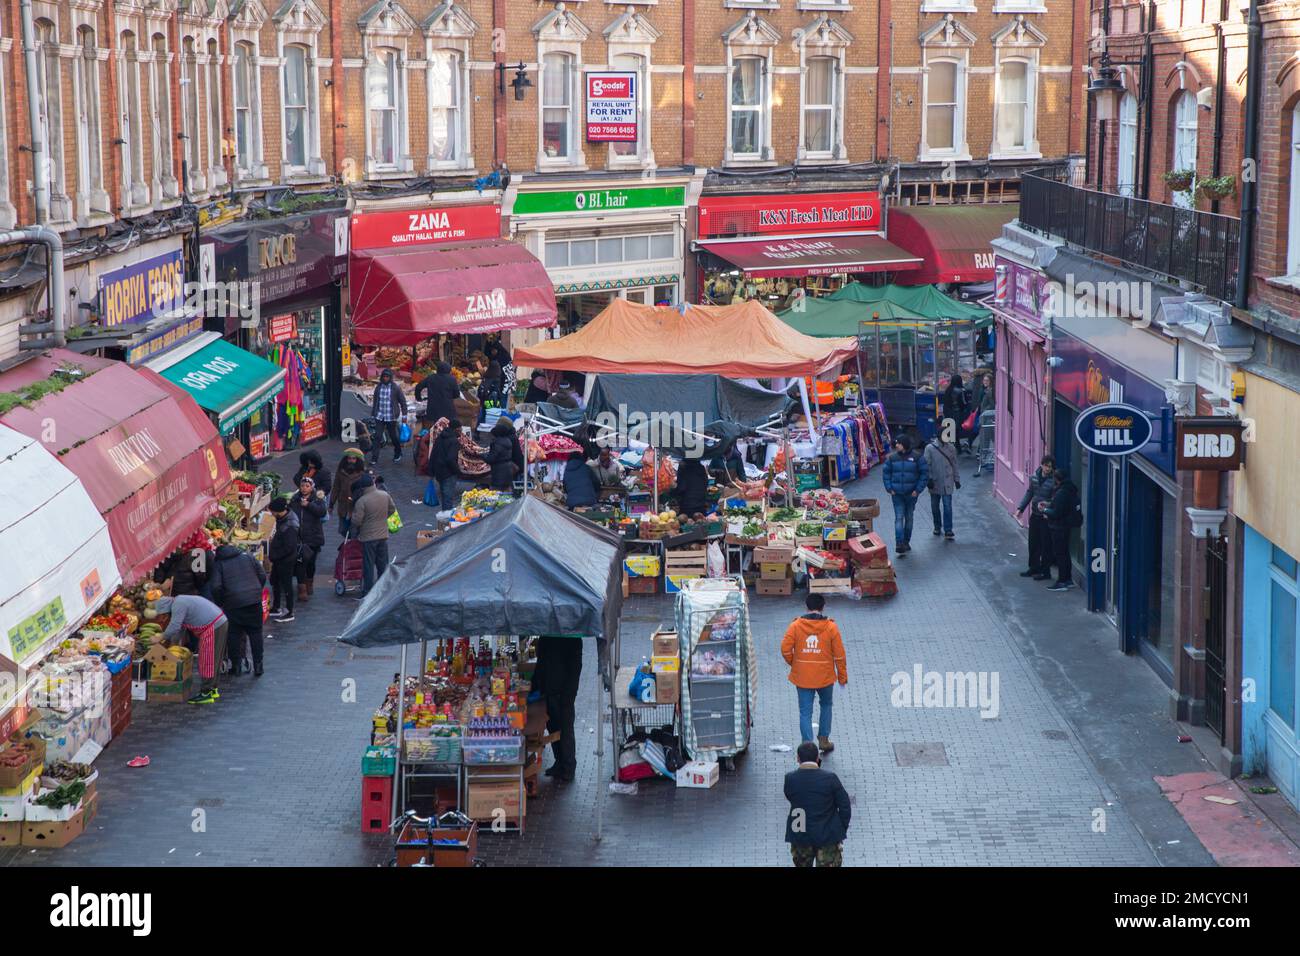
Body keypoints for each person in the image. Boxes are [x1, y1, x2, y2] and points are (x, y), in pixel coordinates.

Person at [780, 593, 849, 753]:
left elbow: (785, 648)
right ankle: (824, 740)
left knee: (805, 712)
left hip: (803, 677)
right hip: (825, 676)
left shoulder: (796, 626)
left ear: (806, 607)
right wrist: (842, 677)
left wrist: (794, 663)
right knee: (826, 705)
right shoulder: (831, 627)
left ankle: (807, 746)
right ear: (823, 607)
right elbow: (839, 655)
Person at [783, 741, 852, 868]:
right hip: (827, 836)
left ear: (798, 758)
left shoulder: (790, 779)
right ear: (817, 758)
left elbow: (790, 797)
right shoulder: (830, 779)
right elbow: (845, 806)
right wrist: (841, 828)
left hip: (800, 834)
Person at [208, 543, 268, 677]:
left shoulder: (219, 564)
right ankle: (259, 666)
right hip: (254, 602)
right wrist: (256, 591)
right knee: (255, 633)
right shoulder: (248, 557)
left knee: (234, 634)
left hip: (233, 603)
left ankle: (236, 666)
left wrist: (221, 602)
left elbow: (216, 587)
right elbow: (262, 574)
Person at [156, 594, 228, 704]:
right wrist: (173, 644)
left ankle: (206, 693)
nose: (164, 618)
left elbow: (175, 626)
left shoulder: (178, 605)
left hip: (213, 626)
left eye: (164, 615)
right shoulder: (179, 602)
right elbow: (179, 629)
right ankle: (212, 689)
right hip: (219, 622)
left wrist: (161, 637)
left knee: (207, 659)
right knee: (214, 659)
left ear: (167, 609)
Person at [533, 635, 582, 782]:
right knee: (553, 727)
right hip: (550, 688)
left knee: (565, 728)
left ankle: (568, 766)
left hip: (564, 691)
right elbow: (541, 662)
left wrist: (569, 692)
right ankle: (559, 762)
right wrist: (536, 686)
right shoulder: (547, 635)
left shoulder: (572, 637)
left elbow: (575, 667)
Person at [350, 474, 396, 596]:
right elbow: (392, 510)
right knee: (382, 564)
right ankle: (383, 589)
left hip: (368, 537)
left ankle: (368, 591)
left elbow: (357, 521)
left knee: (368, 565)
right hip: (383, 535)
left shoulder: (362, 501)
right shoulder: (385, 495)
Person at [881, 435, 928, 555]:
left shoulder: (917, 457)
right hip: (897, 494)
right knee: (899, 517)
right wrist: (889, 488)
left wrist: (917, 490)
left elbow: (924, 474)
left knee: (909, 518)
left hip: (911, 494)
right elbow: (886, 473)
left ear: (905, 444)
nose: (896, 445)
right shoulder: (892, 458)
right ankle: (899, 543)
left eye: (899, 443)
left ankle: (906, 541)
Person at [1016, 456, 1061, 580]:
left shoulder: (1054, 481)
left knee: (1045, 544)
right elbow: (1029, 493)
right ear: (1041, 465)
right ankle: (1033, 567)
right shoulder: (1034, 477)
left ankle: (1045, 571)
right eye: (1046, 466)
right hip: (1035, 514)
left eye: (1050, 467)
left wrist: (1048, 505)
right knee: (1033, 542)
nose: (1048, 469)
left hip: (1046, 516)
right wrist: (1021, 508)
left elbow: (1055, 498)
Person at [290, 476, 328, 601]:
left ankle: (309, 582)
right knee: (301, 562)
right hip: (299, 537)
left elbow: (322, 512)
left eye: (307, 486)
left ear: (312, 487)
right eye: (302, 486)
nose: (304, 488)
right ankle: (302, 588)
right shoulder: (295, 498)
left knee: (311, 562)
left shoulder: (317, 499)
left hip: (313, 537)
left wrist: (309, 505)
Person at [1043, 471, 1082, 592]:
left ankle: (1062, 581)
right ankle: (1068, 579)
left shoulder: (1061, 492)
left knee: (1060, 554)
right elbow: (1061, 507)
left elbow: (1056, 512)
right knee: (1065, 553)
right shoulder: (1070, 490)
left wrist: (1044, 510)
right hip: (1066, 527)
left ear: (1057, 480)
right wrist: (1049, 505)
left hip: (1059, 527)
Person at [267, 496, 300, 623]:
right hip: (279, 559)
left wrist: (275, 556)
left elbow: (289, 547)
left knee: (286, 585)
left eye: (272, 512)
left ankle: (289, 611)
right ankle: (276, 607)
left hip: (285, 560)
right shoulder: (283, 519)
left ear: (278, 511)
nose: (271, 514)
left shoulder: (290, 525)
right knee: (275, 581)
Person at [429, 420, 474, 511]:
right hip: (448, 473)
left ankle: (445, 516)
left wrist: (431, 471)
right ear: (456, 429)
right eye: (460, 430)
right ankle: (447, 519)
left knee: (445, 496)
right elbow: (450, 459)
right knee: (448, 499)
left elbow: (433, 454)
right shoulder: (453, 441)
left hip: (439, 472)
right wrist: (458, 472)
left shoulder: (440, 437)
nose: (461, 432)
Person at [922, 433, 960, 539]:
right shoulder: (930, 448)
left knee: (947, 506)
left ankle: (948, 529)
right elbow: (926, 465)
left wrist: (957, 479)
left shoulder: (951, 448)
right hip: (935, 482)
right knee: (935, 506)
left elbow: (955, 464)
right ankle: (937, 526)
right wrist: (928, 479)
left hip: (948, 481)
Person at [370, 368, 408, 464]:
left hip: (391, 416)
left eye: (387, 377)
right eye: (384, 377)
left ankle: (398, 452)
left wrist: (404, 415)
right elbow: (375, 401)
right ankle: (374, 458)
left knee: (393, 436)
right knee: (377, 436)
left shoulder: (395, 388)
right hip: (380, 415)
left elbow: (403, 402)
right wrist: (374, 412)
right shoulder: (378, 387)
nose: (385, 378)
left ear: (390, 378)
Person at [330, 449, 368, 537]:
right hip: (343, 505)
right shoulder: (341, 471)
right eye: (349, 458)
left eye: (353, 459)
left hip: (356, 506)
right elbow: (336, 487)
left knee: (355, 531)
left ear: (357, 460)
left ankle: (353, 546)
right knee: (343, 530)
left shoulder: (363, 473)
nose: (351, 460)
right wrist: (331, 504)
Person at [415, 361, 459, 427]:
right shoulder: (452, 379)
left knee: (435, 429)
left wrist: (419, 398)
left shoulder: (431, 378)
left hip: (433, 409)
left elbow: (418, 387)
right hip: (448, 409)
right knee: (447, 427)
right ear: (448, 370)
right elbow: (456, 394)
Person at [483, 417, 521, 492]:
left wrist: (481, 455)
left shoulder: (498, 443)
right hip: (508, 471)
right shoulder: (508, 440)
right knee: (507, 491)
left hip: (499, 473)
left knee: (496, 492)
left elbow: (490, 459)